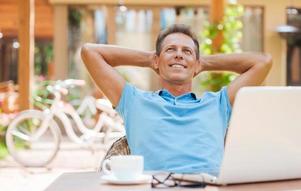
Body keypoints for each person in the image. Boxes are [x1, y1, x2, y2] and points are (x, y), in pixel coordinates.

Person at [81, 24, 272, 175]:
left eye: (187, 51)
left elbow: (262, 62)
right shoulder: (134, 101)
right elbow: (90, 52)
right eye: (171, 49)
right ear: (157, 61)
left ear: (197, 65)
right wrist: (150, 59)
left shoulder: (218, 103)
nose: (179, 54)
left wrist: (202, 63)